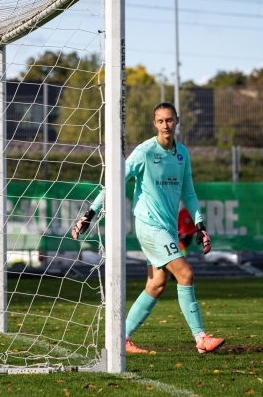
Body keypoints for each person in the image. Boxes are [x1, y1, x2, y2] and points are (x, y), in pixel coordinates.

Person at [71, 102, 224, 354]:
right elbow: (115, 181)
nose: (166, 125)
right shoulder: (144, 152)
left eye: (170, 120)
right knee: (185, 274)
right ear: (155, 124)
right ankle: (201, 338)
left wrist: (200, 223)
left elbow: (189, 191)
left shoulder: (182, 153)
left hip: (168, 226)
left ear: (177, 121)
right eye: (161, 121)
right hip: (148, 225)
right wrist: (91, 213)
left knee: (157, 284)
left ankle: (121, 338)